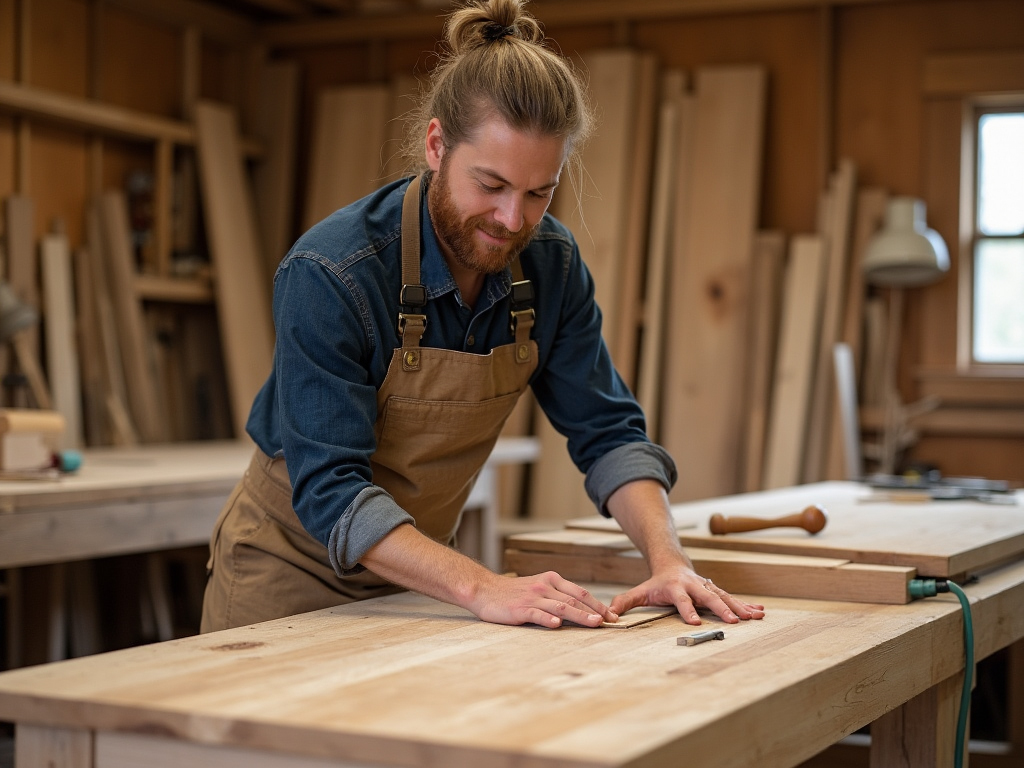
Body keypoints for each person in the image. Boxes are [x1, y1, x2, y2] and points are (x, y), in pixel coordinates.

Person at [200, 0, 765, 634]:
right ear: (437, 144)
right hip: (287, 576)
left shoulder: (549, 266)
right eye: (491, 185)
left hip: (418, 584)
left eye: (539, 192)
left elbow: (608, 433)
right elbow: (332, 494)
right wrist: (481, 586)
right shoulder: (334, 273)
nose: (512, 220)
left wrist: (667, 559)